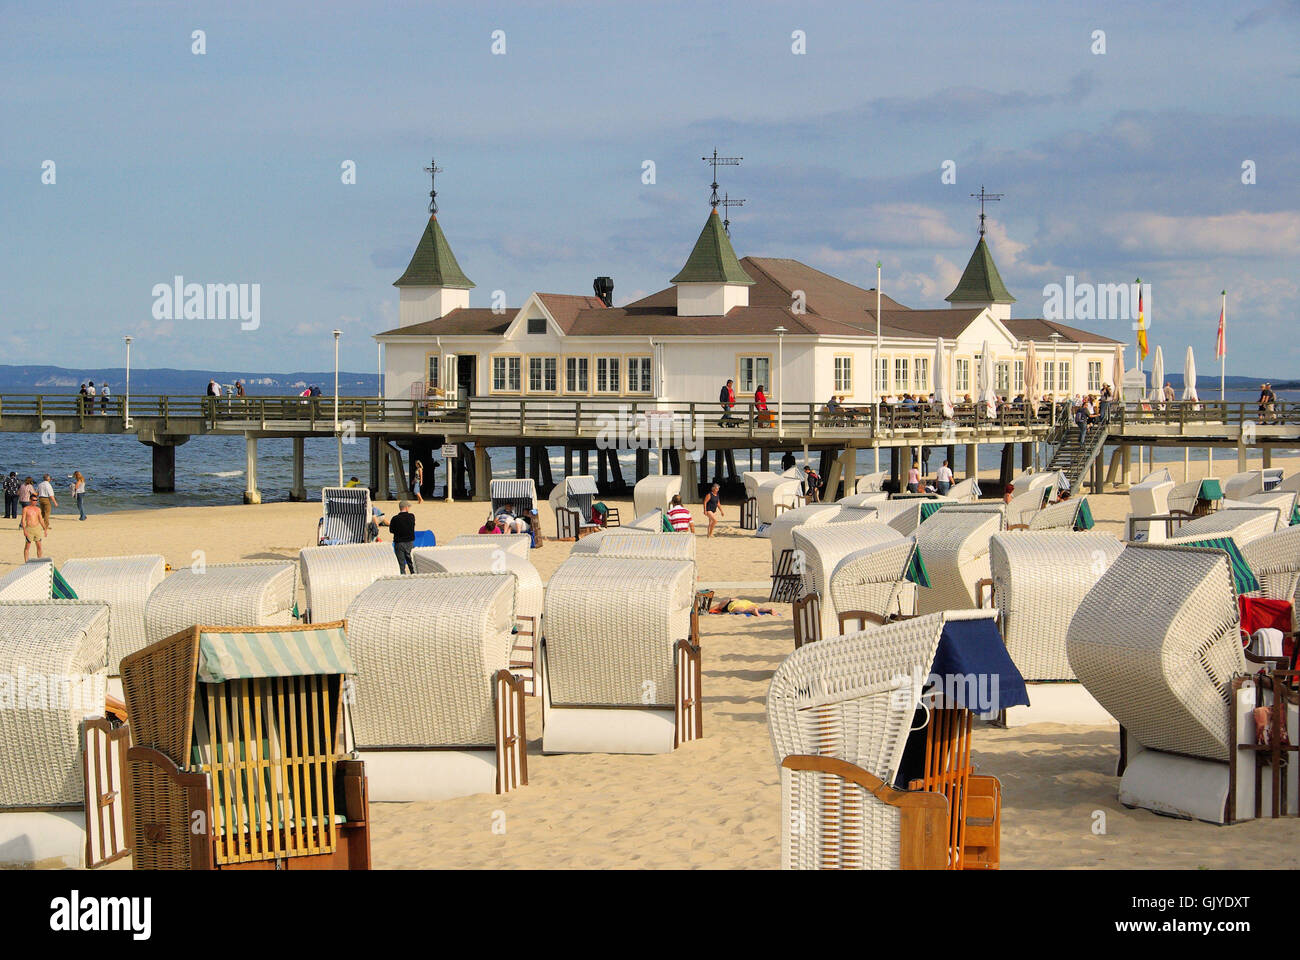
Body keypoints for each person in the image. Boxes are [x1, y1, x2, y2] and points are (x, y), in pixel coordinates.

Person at [389, 500, 416, 574]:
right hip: (409, 542)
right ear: (407, 508)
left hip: (399, 543)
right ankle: (414, 575)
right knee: (412, 563)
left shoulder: (395, 518)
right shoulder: (411, 516)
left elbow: (391, 530)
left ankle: (403, 578)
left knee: (401, 564)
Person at [20, 493, 48, 561]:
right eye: (33, 500)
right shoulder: (26, 509)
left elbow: (41, 519)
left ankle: (39, 560)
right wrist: (24, 530)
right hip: (29, 528)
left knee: (39, 546)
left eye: (36, 500)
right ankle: (26, 561)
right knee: (27, 546)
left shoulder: (38, 509)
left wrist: (45, 529)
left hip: (37, 528)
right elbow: (23, 520)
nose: (35, 502)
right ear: (30, 500)